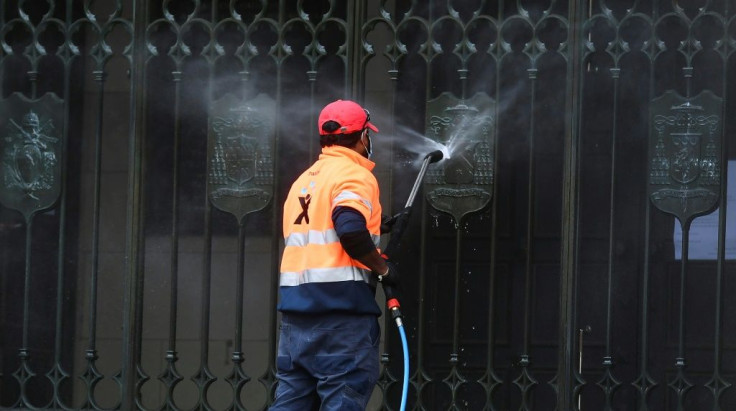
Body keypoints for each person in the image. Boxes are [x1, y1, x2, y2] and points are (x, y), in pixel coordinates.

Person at [271, 99, 399, 410]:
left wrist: (378, 223)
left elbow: (325, 226)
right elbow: (350, 230)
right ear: (362, 137)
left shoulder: (303, 182)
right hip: (341, 321)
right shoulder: (355, 175)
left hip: (296, 323)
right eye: (368, 136)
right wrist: (383, 269)